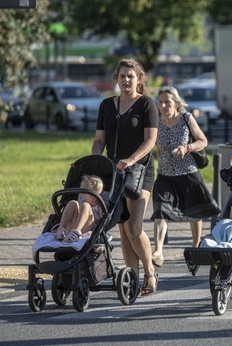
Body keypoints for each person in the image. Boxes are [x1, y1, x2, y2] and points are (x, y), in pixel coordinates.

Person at [91, 58, 158, 296]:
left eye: (131, 76)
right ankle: (132, 278)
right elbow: (100, 140)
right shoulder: (107, 106)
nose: (126, 80)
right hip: (114, 170)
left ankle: (150, 272)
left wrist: (130, 160)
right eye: (122, 76)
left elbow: (150, 141)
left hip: (140, 170)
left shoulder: (147, 105)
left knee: (134, 226)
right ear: (116, 79)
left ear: (139, 79)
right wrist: (95, 161)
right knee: (122, 227)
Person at [151, 86, 220, 267]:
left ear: (176, 103)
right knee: (160, 211)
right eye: (161, 102)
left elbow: (203, 141)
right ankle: (158, 251)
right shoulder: (157, 122)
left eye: (168, 101)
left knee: (194, 213)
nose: (164, 105)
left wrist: (187, 148)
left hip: (187, 173)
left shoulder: (186, 118)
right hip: (165, 175)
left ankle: (195, 246)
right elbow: (157, 147)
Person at [53, 175, 104, 242]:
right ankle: (61, 230)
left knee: (86, 205)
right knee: (73, 203)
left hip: (89, 229)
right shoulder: (81, 204)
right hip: (72, 228)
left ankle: (76, 232)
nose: (95, 198)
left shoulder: (99, 206)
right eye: (92, 195)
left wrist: (102, 211)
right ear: (84, 194)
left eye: (99, 195)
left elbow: (102, 218)